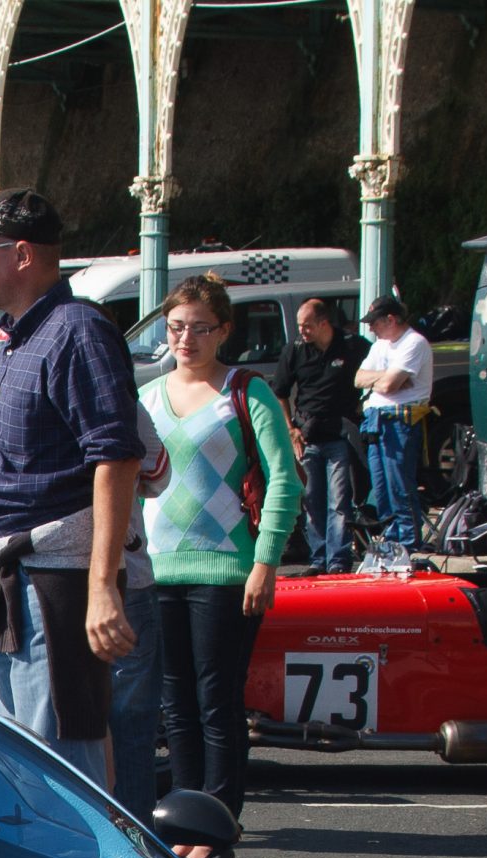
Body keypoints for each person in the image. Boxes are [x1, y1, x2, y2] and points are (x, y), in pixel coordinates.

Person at [0, 190, 143, 783]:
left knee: (58, 763)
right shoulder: (19, 337)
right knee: (25, 756)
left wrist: (101, 586)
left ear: (22, 254)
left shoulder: (76, 331)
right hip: (15, 576)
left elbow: (117, 458)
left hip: (51, 582)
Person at [142, 275, 303, 822]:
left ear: (224, 332)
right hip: (157, 570)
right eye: (176, 327)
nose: (186, 339)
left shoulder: (246, 391)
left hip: (227, 571)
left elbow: (285, 479)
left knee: (217, 701)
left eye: (200, 328)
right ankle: (188, 816)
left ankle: (220, 817)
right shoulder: (145, 396)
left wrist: (266, 561)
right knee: (175, 705)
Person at [271, 297, 368, 573]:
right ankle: (318, 557)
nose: (302, 331)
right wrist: (291, 429)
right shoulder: (296, 350)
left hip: (339, 434)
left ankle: (338, 559)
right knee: (312, 500)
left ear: (324, 323)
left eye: (307, 326)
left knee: (339, 500)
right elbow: (279, 391)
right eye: (300, 326)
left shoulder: (353, 346)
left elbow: (376, 365)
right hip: (307, 435)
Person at [353, 295, 432, 547]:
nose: (371, 328)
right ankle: (389, 539)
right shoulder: (380, 346)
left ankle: (408, 540)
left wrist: (384, 380)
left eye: (375, 322)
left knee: (399, 484)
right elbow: (357, 378)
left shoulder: (414, 343)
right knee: (381, 487)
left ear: (391, 319)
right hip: (375, 420)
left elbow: (387, 385)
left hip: (400, 421)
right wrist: (388, 377)